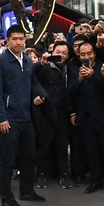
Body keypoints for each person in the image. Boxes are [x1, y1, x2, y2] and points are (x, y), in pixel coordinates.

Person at [0, 24, 48, 206]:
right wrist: (1, 118)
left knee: (29, 157)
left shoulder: (28, 61)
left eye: (21, 39)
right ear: (7, 41)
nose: (18, 42)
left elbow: (33, 83)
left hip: (26, 116)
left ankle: (27, 191)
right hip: (9, 118)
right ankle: (6, 198)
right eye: (14, 39)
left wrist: (40, 94)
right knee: (7, 161)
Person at [68, 42, 104, 195]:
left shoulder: (103, 67)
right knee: (91, 152)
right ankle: (96, 181)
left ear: (94, 53)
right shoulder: (76, 69)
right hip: (85, 118)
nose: (86, 57)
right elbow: (69, 92)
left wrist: (94, 77)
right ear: (79, 55)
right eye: (82, 54)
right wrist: (80, 80)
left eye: (89, 53)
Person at [35, 40, 73, 189]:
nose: (61, 55)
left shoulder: (69, 69)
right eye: (58, 52)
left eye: (64, 53)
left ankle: (64, 174)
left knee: (62, 147)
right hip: (47, 114)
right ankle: (42, 174)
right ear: (52, 53)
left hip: (64, 114)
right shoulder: (45, 68)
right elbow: (32, 75)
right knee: (43, 147)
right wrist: (41, 64)